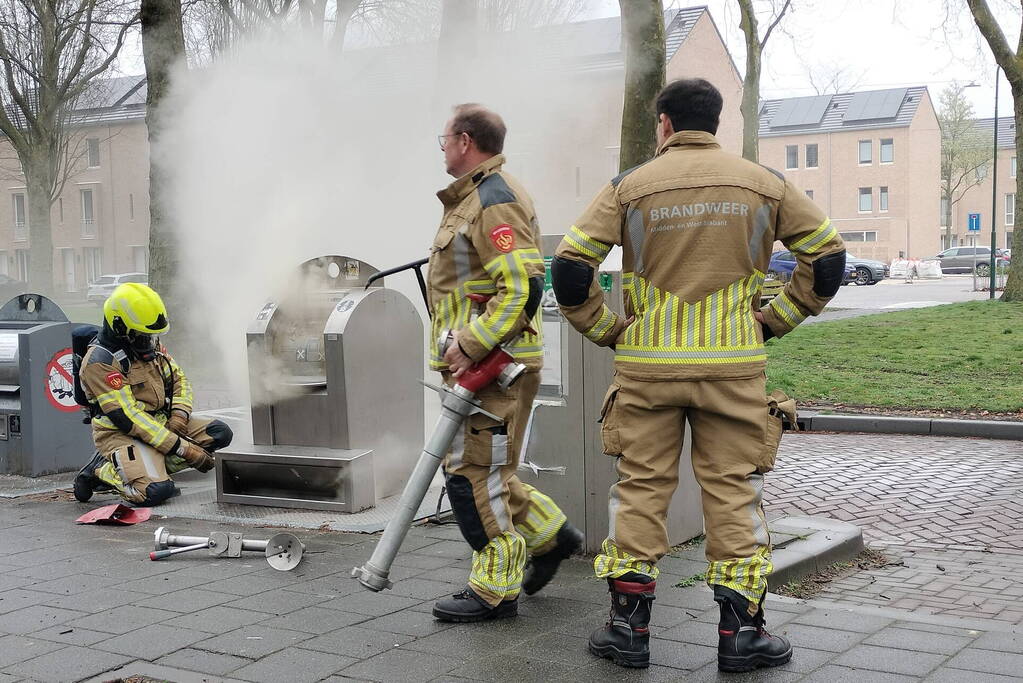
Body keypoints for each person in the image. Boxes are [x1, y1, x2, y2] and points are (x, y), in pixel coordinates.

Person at [552, 78, 846, 671]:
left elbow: (570, 267)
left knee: (640, 490)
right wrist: (775, 320)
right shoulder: (764, 183)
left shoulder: (628, 187)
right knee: (734, 491)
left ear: (663, 123)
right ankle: (742, 635)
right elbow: (828, 256)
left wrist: (609, 331)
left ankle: (628, 631)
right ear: (716, 123)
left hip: (647, 370)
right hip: (733, 369)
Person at [428, 103, 583, 622]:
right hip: (486, 363)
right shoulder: (476, 198)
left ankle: (495, 588)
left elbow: (523, 287)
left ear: (465, 141)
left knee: (471, 474)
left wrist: (472, 344)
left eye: (445, 139)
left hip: (492, 368)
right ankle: (551, 537)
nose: (442, 148)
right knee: (493, 469)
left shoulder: (493, 200)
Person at [73, 283, 233, 507]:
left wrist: (179, 416)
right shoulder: (100, 363)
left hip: (159, 422)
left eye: (152, 335)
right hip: (122, 433)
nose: (150, 341)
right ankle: (103, 470)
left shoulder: (146, 342)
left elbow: (179, 380)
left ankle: (149, 466)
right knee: (153, 492)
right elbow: (129, 418)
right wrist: (184, 449)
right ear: (120, 327)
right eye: (143, 335)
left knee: (219, 433)